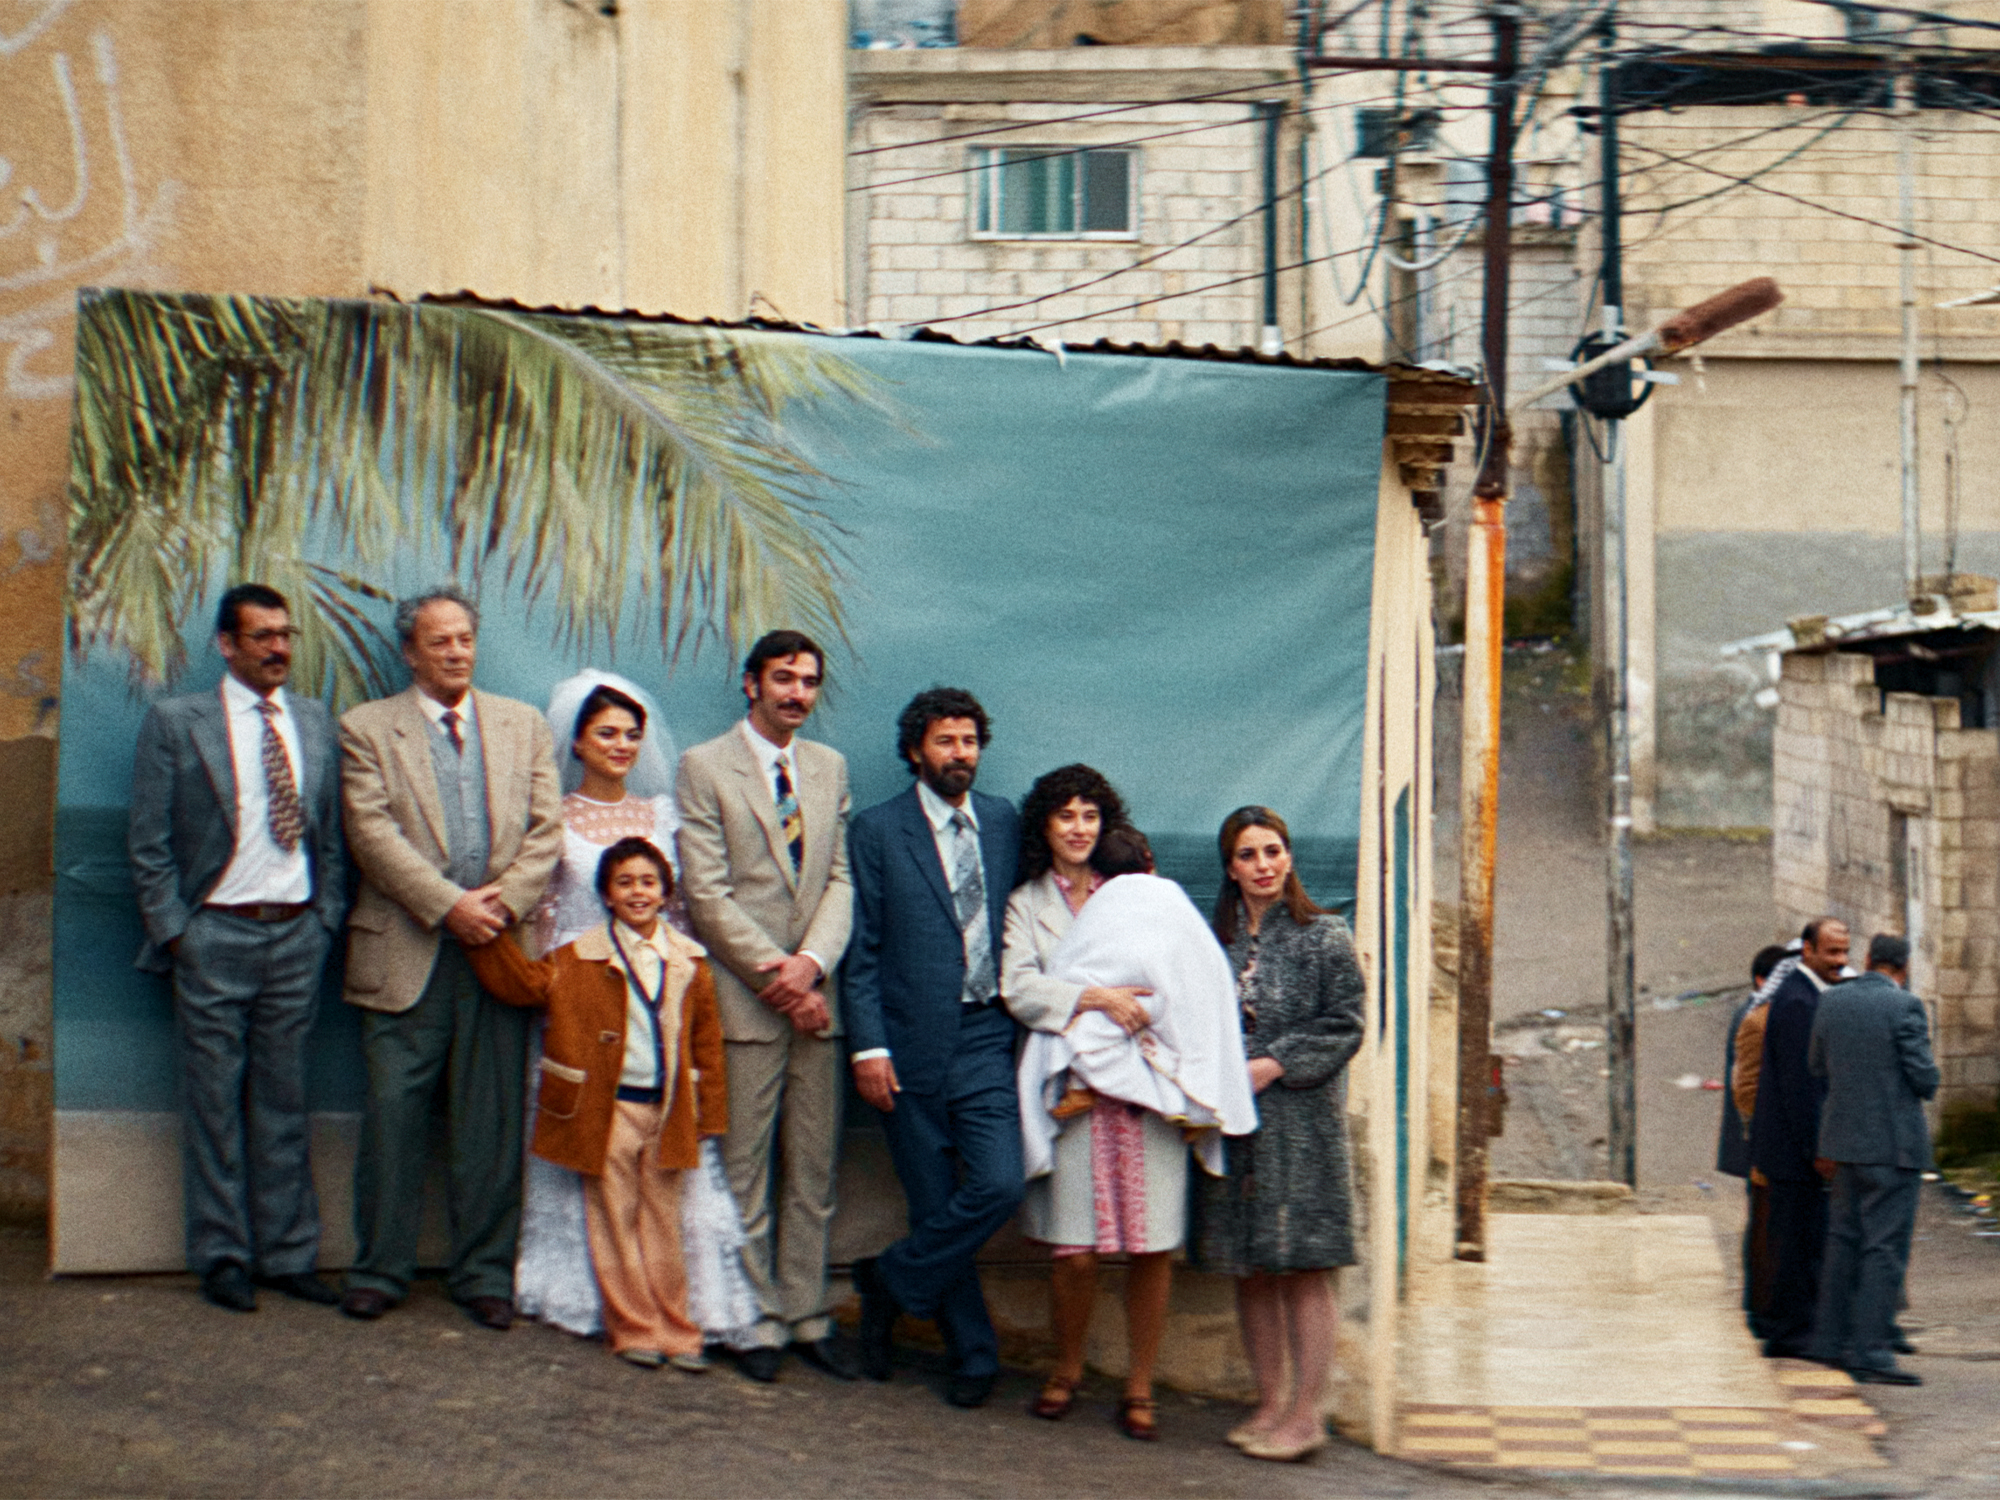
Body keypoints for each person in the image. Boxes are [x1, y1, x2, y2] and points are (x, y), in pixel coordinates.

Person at [336, 585, 564, 1328]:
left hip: (498, 951)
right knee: (394, 1120)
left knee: (490, 1126)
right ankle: (379, 1270)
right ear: (409, 651)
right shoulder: (367, 729)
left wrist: (498, 905)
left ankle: (484, 1275)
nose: (457, 651)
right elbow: (371, 836)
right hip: (408, 953)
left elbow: (546, 830)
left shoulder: (521, 724)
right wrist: (448, 905)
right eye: (440, 641)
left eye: (465, 637)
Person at [516, 671, 757, 1348]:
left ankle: (671, 1306)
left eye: (631, 734)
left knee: (658, 1155)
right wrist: (551, 993)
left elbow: (679, 916)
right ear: (579, 742)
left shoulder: (660, 816)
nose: (622, 745)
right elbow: (545, 912)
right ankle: (592, 1295)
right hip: (581, 992)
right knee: (592, 1144)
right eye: (606, 734)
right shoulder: (557, 818)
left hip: (652, 996)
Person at [127, 583, 347, 1312]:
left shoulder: (314, 722)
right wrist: (178, 933)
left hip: (295, 933)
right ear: (228, 644)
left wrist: (325, 919)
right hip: (213, 934)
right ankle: (223, 1255)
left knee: (285, 1102)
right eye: (263, 637)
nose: (280, 648)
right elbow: (149, 843)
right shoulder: (177, 722)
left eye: (286, 635)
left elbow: (333, 837)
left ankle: (288, 1255)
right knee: (214, 1102)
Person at [1008, 812, 1256, 1440]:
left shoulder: (1174, 918)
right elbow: (1041, 992)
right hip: (1087, 1105)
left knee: (1152, 1248)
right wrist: (1101, 1004)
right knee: (1076, 1252)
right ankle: (1066, 1370)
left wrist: (1162, 1043)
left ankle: (1139, 1385)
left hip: (1154, 1106)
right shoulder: (1053, 915)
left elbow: (1200, 998)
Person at [467, 839, 727, 1371]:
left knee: (662, 1223)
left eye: (648, 882)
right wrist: (483, 936)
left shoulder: (691, 963)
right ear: (606, 894)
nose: (638, 892)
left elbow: (707, 1045)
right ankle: (633, 1328)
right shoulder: (577, 958)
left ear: (665, 892)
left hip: (668, 1110)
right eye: (625, 882)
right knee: (613, 1221)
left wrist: (709, 1113)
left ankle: (677, 1329)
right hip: (606, 1112)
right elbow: (520, 985)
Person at [675, 631, 856, 1382]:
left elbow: (841, 880)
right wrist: (777, 977)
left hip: (817, 1001)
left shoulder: (828, 767)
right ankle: (749, 1320)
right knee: (745, 1167)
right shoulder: (703, 766)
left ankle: (804, 1312)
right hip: (750, 1004)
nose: (797, 693)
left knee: (812, 1169)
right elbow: (706, 892)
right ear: (751, 684)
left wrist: (811, 966)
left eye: (809, 681)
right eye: (783, 678)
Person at [847, 688, 1025, 1409]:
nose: (960, 754)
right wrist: (868, 1049)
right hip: (910, 1042)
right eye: (946, 742)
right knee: (932, 1203)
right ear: (917, 749)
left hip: (987, 1032)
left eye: (969, 741)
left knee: (999, 1184)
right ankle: (973, 1355)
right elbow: (862, 952)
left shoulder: (1008, 823)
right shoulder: (879, 830)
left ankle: (885, 1281)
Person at [1192, 806, 1365, 1464]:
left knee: (1303, 1266)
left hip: (1301, 1126)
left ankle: (1305, 1414)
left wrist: (1276, 1061)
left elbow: (1346, 1023)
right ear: (1230, 868)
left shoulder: (1324, 935)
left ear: (1288, 857)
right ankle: (1269, 1401)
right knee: (1252, 1266)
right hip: (1237, 1126)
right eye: (1247, 855)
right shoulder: (1218, 942)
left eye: (1272, 851)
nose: (1263, 865)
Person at [1806, 933, 1939, 1385]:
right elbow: (1924, 1077)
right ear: (1902, 967)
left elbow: (1817, 1065)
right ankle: (1872, 1351)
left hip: (1843, 1144)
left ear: (1867, 960)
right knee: (1884, 1248)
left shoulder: (1832, 1002)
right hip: (1892, 1146)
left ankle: (1829, 1342)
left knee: (1843, 1240)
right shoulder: (1905, 1007)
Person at [1747, 915, 1849, 1359]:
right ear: (1807, 951)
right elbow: (1800, 1086)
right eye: (1831, 953)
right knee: (1794, 1244)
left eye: (1844, 953)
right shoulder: (1797, 1004)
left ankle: (1798, 1328)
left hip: (1792, 1150)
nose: (1839, 962)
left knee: (1803, 1240)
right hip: (1792, 1153)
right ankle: (1791, 1333)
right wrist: (1819, 1149)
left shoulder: (1806, 996)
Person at [1721, 944, 1789, 1340]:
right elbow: (1746, 1086)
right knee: (1764, 1223)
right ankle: (1760, 1305)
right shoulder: (1753, 1017)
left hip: (1757, 1139)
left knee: (1764, 1221)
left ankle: (1761, 1301)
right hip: (1758, 1140)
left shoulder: (1754, 1011)